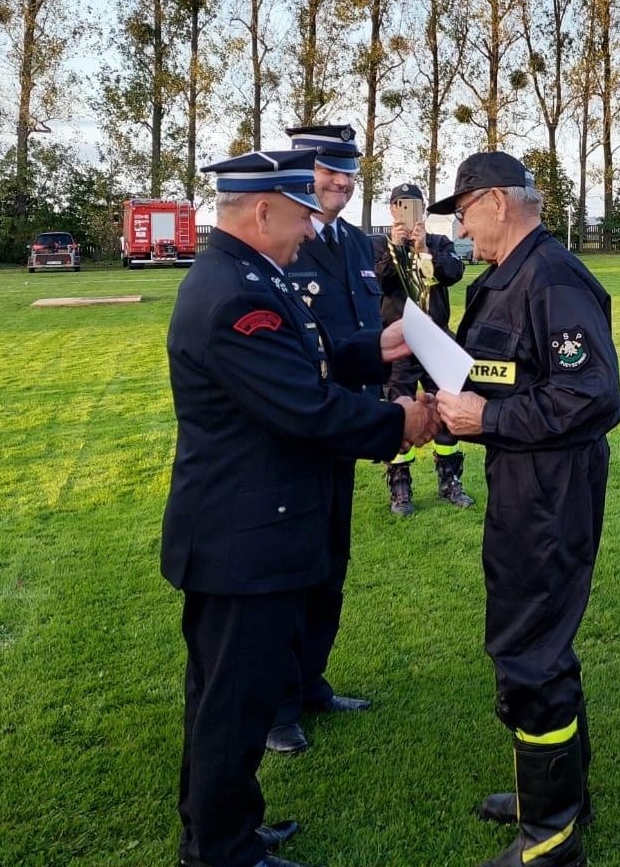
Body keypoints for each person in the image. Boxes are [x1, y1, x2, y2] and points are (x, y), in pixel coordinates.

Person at [163, 148, 435, 867]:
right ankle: (220, 852)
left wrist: (381, 345)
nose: (311, 231)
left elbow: (311, 356)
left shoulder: (249, 274)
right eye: (300, 216)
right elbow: (306, 406)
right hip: (242, 539)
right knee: (232, 704)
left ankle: (225, 830)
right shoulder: (236, 295)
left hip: (249, 530)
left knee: (230, 698)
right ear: (262, 211)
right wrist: (401, 423)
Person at [430, 152, 620, 867]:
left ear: (496, 201)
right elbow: (497, 376)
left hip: (551, 488)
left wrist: (490, 420)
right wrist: (453, 407)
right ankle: (555, 793)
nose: (458, 224)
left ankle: (552, 837)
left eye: (462, 208)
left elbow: (595, 396)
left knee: (530, 649)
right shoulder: (505, 277)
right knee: (530, 636)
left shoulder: (551, 277)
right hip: (522, 481)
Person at [263, 123, 383, 755]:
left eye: (347, 172)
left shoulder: (358, 241)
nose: (340, 182)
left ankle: (310, 681)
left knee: (331, 564)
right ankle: (278, 705)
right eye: (328, 171)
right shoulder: (281, 243)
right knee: (293, 569)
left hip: (345, 428)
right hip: (299, 431)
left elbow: (363, 333)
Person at [371, 181, 469, 514]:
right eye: (399, 204)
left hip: (436, 339)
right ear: (391, 209)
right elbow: (379, 283)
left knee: (446, 410)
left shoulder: (440, 243)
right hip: (398, 344)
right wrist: (395, 250)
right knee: (398, 410)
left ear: (422, 209)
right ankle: (400, 486)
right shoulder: (380, 246)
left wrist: (424, 248)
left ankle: (449, 482)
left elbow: (454, 273)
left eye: (411, 205)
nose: (405, 210)